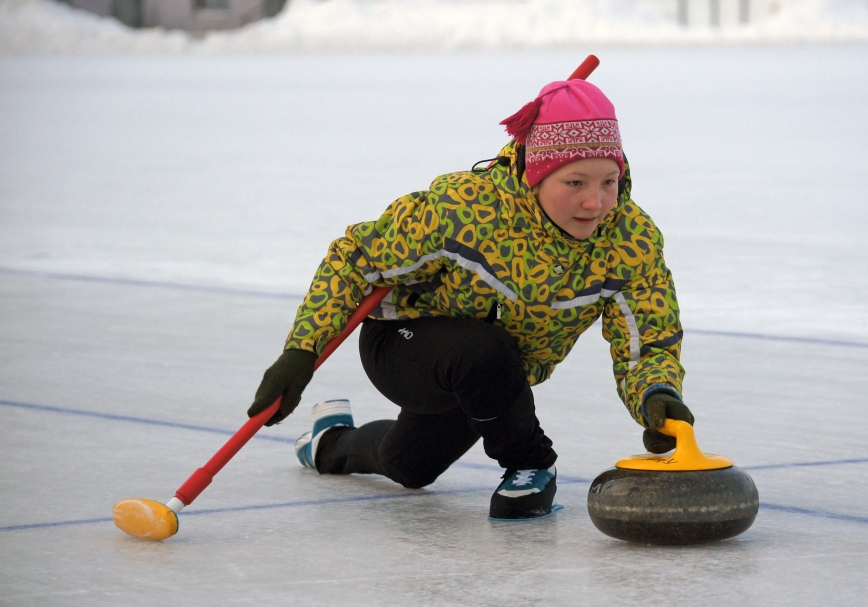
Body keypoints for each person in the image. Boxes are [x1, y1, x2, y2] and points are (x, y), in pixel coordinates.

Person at [248, 77, 694, 520]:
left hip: (494, 382)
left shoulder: (629, 241)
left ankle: (329, 442)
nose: (595, 203)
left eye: (609, 182)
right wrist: (301, 351)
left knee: (410, 466)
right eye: (575, 182)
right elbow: (355, 260)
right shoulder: (465, 210)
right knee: (485, 351)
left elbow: (647, 340)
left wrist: (656, 394)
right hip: (402, 339)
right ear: (534, 174)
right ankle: (531, 463)